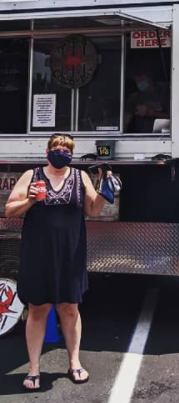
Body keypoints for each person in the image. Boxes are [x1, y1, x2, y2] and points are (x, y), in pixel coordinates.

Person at [6, 133, 109, 391]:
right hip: (37, 254)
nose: (61, 151)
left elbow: (93, 211)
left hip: (71, 254)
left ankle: (74, 362)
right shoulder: (32, 176)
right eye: (57, 147)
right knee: (38, 309)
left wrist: (106, 191)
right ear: (47, 150)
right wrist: (29, 200)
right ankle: (34, 368)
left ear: (72, 153)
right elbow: (9, 210)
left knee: (70, 308)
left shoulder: (80, 177)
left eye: (67, 148)